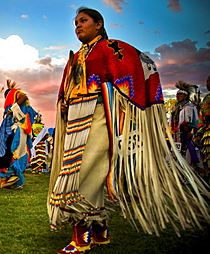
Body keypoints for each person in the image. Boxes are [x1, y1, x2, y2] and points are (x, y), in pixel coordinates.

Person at [48, 7, 210, 254]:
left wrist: (133, 108)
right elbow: (66, 92)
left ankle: (81, 238)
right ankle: (100, 231)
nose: (78, 26)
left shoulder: (108, 48)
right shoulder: (77, 55)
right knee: (88, 171)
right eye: (76, 23)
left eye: (83, 21)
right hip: (75, 119)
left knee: (83, 173)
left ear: (99, 24)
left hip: (99, 117)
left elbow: (143, 65)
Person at [0, 79, 37, 189]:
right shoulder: (13, 109)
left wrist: (14, 106)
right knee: (12, 152)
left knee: (14, 152)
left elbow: (25, 97)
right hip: (17, 132)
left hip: (18, 132)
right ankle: (10, 180)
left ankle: (12, 177)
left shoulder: (16, 105)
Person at [169, 80, 200, 169]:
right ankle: (177, 168)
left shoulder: (190, 106)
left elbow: (194, 120)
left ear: (186, 96)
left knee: (188, 150)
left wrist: (192, 131)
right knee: (176, 151)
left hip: (186, 133)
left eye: (181, 94)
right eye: (177, 94)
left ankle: (193, 167)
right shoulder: (175, 107)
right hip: (175, 134)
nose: (178, 96)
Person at [197, 75, 210, 183]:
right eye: (207, 81)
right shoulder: (206, 99)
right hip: (206, 133)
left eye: (209, 81)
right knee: (207, 158)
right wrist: (199, 134)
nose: (207, 83)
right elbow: (201, 118)